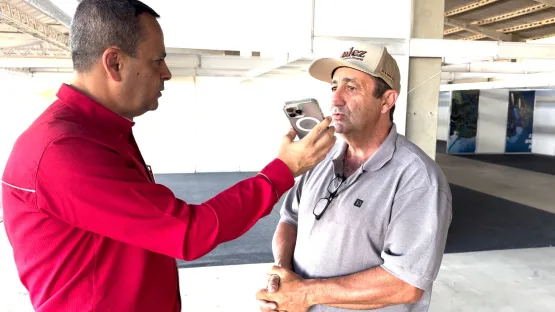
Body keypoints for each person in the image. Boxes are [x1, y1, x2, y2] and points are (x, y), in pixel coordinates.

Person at [0, 1, 336, 311]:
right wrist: (283, 170)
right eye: (157, 60)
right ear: (115, 63)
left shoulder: (99, 133)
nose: (166, 73)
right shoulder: (64, 151)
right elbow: (188, 233)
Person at [256, 43, 453, 312]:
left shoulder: (417, 178)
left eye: (351, 88)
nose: (335, 99)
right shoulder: (320, 158)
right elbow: (290, 219)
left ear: (386, 100)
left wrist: (304, 293)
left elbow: (406, 284)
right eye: (334, 87)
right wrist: (283, 275)